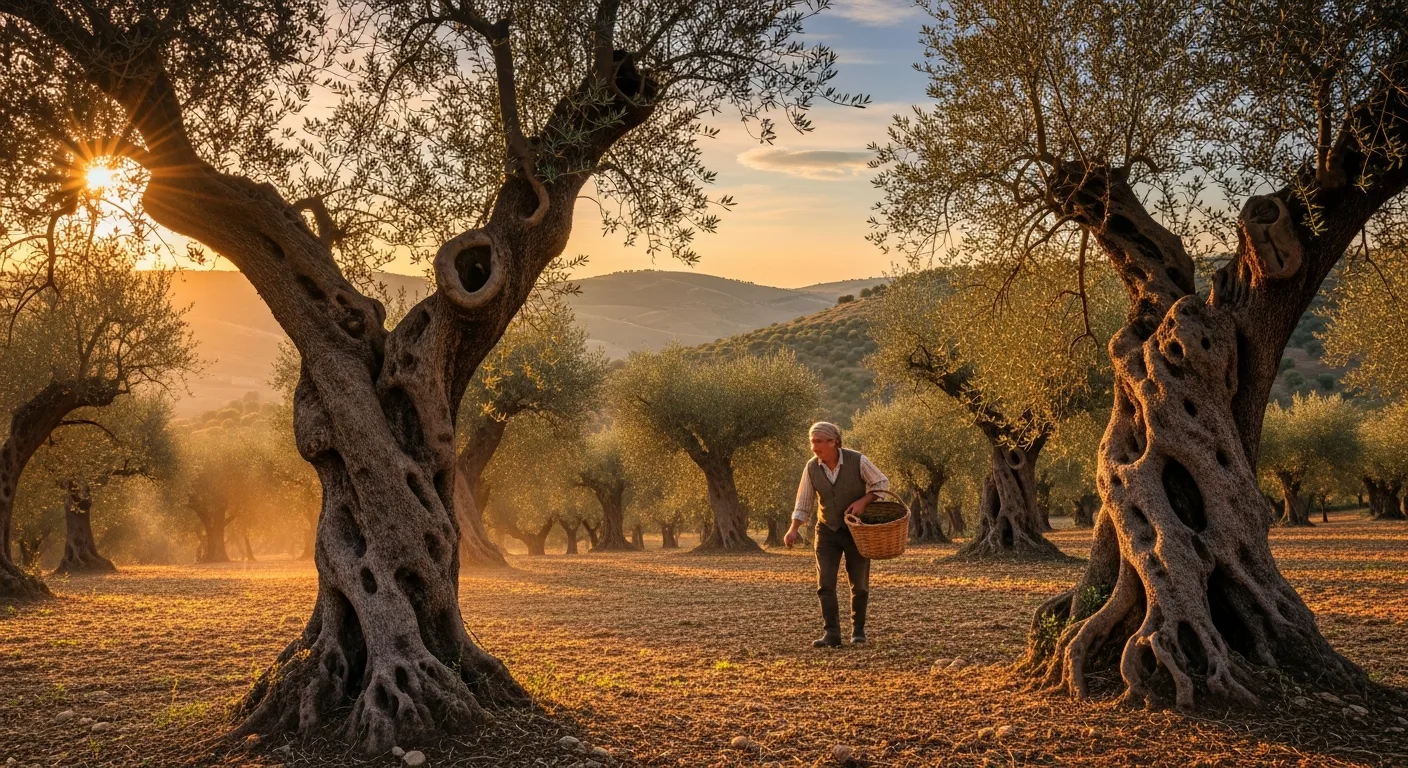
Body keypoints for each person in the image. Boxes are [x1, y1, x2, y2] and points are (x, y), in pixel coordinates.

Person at [784, 421, 890, 647]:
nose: (814, 447)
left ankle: (858, 632)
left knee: (859, 583)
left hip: (856, 531)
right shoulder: (811, 467)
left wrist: (864, 501)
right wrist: (794, 529)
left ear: (834, 442)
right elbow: (803, 502)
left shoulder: (857, 460)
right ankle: (831, 634)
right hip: (826, 531)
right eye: (812, 442)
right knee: (825, 584)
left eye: (819, 442)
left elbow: (882, 483)